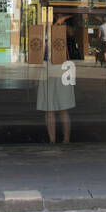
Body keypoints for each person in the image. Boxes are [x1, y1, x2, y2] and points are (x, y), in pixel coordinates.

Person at [36, 14, 75, 144]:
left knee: (53, 109)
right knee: (56, 109)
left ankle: (59, 139)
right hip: (58, 71)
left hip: (55, 70)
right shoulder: (64, 35)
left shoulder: (60, 34)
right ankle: (62, 139)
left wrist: (57, 24)